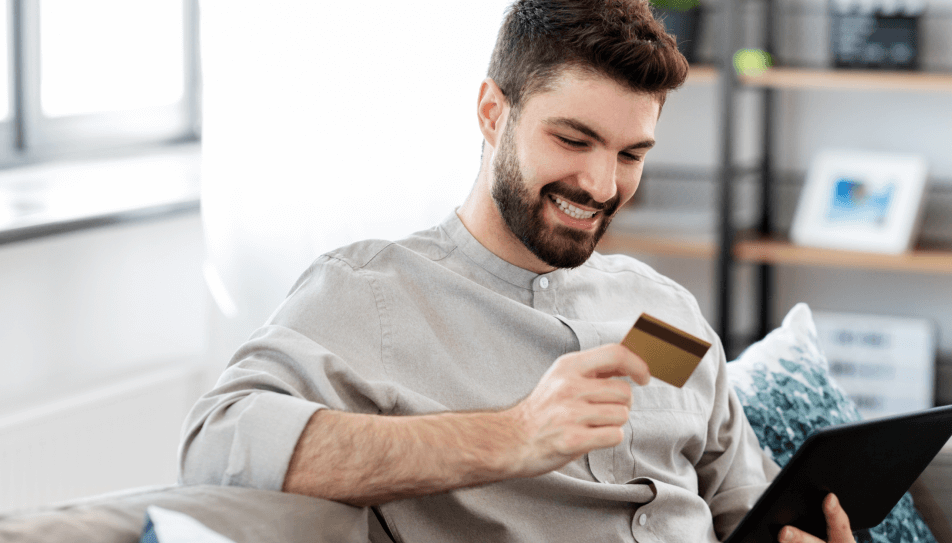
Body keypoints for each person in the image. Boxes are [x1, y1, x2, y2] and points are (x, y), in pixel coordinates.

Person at [179, 1, 854, 542]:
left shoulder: (664, 306)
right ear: (492, 112)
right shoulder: (373, 293)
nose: (599, 182)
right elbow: (218, 444)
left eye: (630, 153)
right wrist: (515, 434)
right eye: (572, 139)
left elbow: (742, 498)